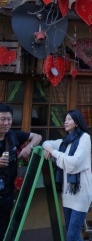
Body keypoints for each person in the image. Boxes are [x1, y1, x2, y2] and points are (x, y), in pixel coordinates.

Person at [42, 110, 92, 241]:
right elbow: (46, 142)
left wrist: (53, 152)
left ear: (77, 123)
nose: (65, 122)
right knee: (71, 235)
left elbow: (74, 163)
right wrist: (47, 148)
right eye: (65, 119)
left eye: (69, 119)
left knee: (72, 236)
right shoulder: (65, 142)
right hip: (68, 194)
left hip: (81, 192)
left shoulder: (84, 138)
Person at [0, 103, 42, 241]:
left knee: (3, 231)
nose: (6, 123)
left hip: (6, 193)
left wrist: (29, 147)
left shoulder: (13, 135)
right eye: (2, 119)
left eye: (9, 119)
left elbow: (38, 137)